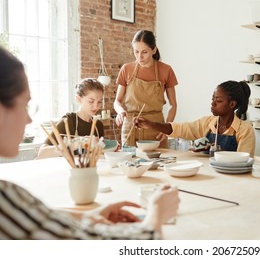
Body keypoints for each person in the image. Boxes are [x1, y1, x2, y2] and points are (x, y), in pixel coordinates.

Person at [0, 46, 179, 239]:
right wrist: (156, 213)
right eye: (24, 104)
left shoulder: (10, 192)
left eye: (99, 102)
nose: (28, 119)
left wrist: (84, 216)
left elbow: (44, 221)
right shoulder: (68, 121)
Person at [134, 80, 256, 157]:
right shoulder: (207, 123)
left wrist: (216, 151)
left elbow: (243, 161)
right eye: (212, 99)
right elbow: (180, 129)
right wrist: (151, 125)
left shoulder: (244, 130)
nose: (213, 104)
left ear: (232, 104)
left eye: (218, 101)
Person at [114, 29, 178, 148]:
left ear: (153, 50)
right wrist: (120, 111)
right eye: (136, 52)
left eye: (144, 52)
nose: (140, 57)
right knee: (130, 164)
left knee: (159, 163)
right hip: (130, 126)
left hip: (157, 127)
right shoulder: (126, 69)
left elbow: (173, 105)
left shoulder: (166, 70)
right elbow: (117, 101)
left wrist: (167, 127)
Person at [37, 78, 105, 159]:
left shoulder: (98, 125)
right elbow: (42, 153)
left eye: (99, 102)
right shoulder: (68, 121)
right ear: (79, 99)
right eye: (91, 101)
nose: (96, 106)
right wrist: (78, 143)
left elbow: (97, 155)